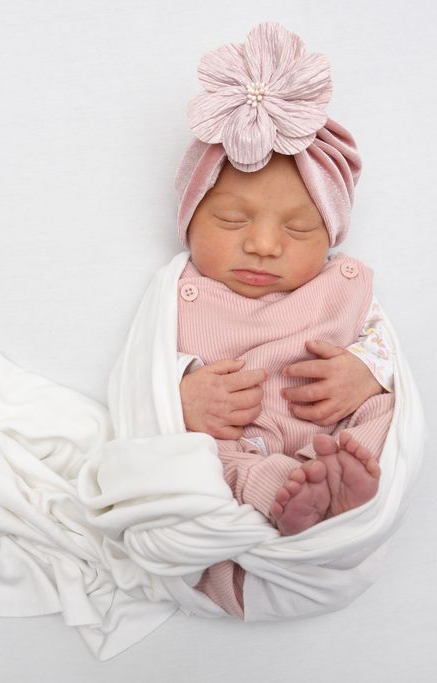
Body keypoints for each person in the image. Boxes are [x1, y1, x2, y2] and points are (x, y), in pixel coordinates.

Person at [171, 22, 395, 617]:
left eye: (297, 229)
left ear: (330, 239)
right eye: (231, 221)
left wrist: (364, 374)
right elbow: (137, 380)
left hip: (327, 434)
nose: (264, 245)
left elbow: (386, 355)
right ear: (189, 219)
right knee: (205, 460)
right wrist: (181, 394)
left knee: (385, 410)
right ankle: (285, 494)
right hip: (237, 446)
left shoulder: (342, 289)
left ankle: (345, 485)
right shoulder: (179, 293)